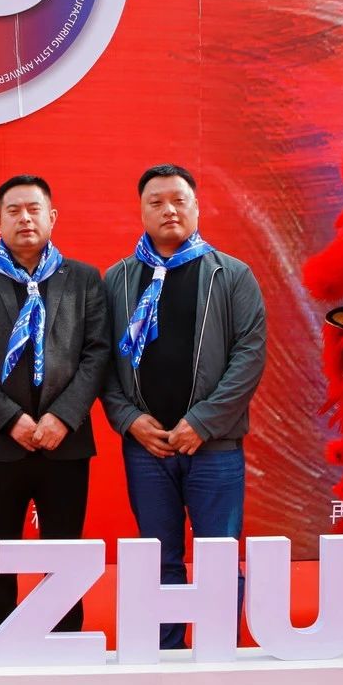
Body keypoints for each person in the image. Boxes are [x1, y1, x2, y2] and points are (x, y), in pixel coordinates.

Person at [101, 163, 267, 650]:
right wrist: (129, 420)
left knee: (218, 558)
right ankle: (166, 655)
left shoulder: (231, 275)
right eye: (156, 202)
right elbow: (100, 360)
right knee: (159, 561)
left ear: (197, 207)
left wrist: (203, 422)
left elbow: (250, 355)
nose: (168, 210)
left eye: (179, 200)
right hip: (147, 449)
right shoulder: (117, 280)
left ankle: (218, 655)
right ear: (141, 211)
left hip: (214, 447)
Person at [0, 175, 110, 651]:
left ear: (52, 217)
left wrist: (63, 417)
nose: (25, 218)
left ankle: (63, 640)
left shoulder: (83, 279)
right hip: (0, 443)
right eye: (14, 210)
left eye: (34, 209)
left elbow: (97, 353)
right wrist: (9, 419)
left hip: (66, 442)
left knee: (63, 550)